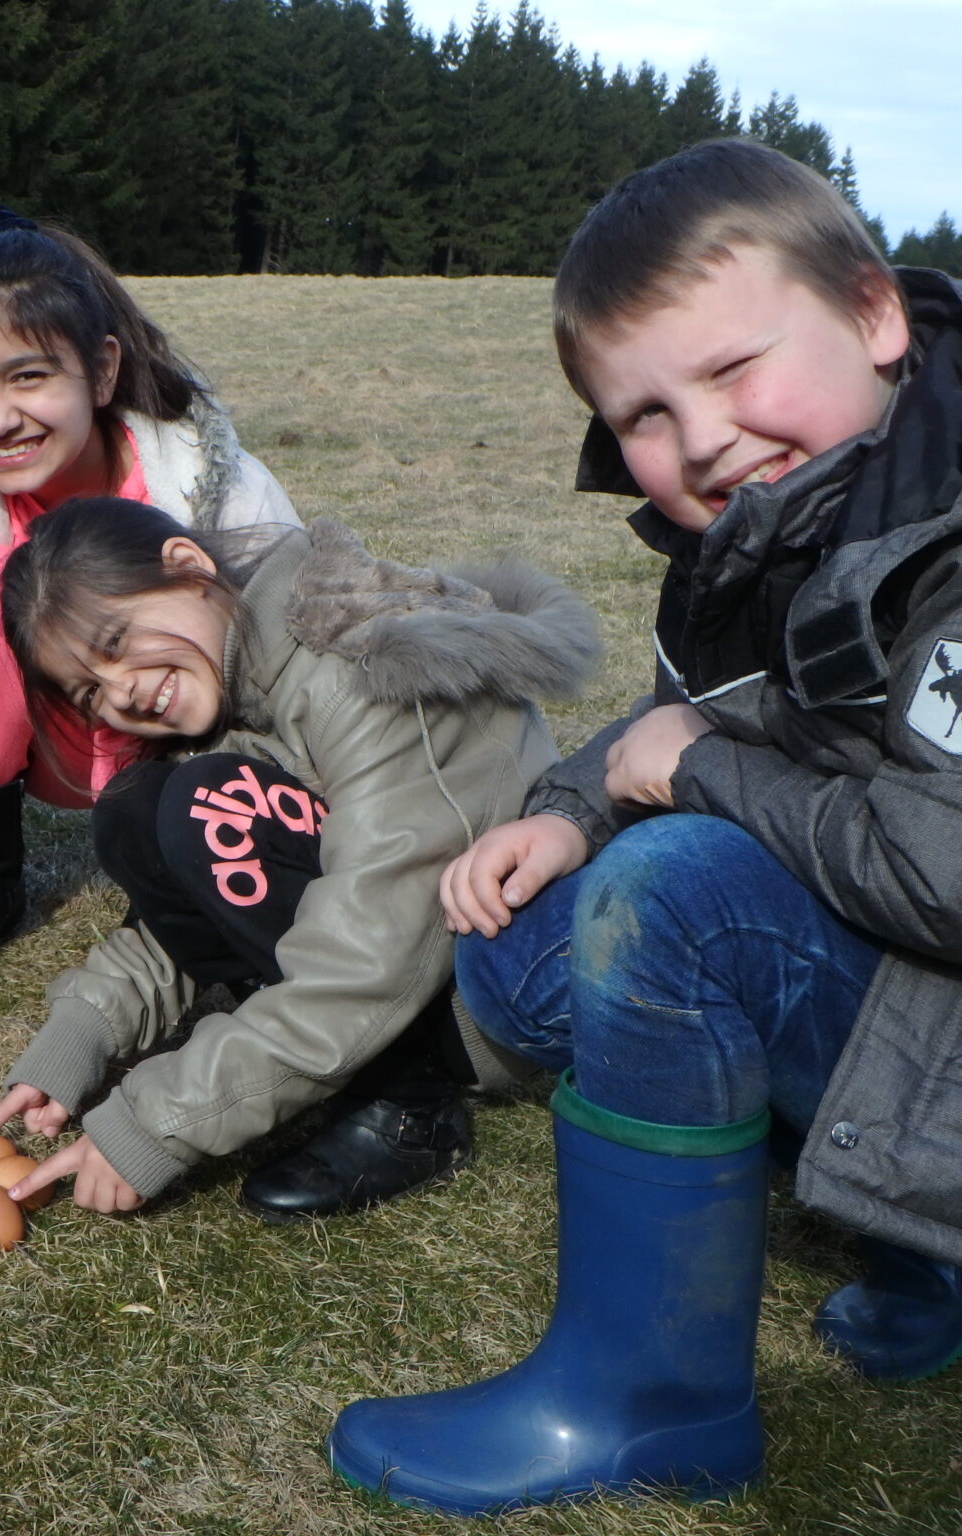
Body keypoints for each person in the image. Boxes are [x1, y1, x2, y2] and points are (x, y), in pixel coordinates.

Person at [329, 139, 962, 1516]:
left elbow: (949, 871)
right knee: (529, 945)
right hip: (916, 1007)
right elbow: (687, 720)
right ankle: (913, 1244)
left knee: (678, 894)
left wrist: (688, 785)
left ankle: (649, 1404)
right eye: (648, 414)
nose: (703, 437)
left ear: (875, 315)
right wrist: (566, 811)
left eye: (734, 372)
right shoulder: (770, 526)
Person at [0, 497, 596, 1219]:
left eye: (116, 641)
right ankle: (373, 1076)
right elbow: (183, 919)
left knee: (205, 803)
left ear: (188, 566)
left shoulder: (356, 669)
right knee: (140, 809)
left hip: (466, 999)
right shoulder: (242, 676)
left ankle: (407, 1102)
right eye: (89, 691)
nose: (123, 692)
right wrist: (81, 1037)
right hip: (391, 970)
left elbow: (367, 962)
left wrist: (154, 1124)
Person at [0, 205, 301, 1006]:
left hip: (188, 737)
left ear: (102, 371)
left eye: (29, 376)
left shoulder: (213, 484)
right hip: (41, 742)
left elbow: (290, 662)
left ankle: (172, 865)